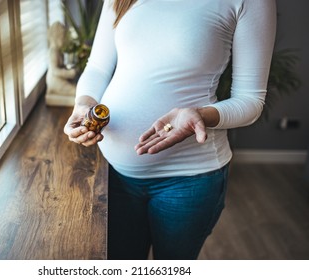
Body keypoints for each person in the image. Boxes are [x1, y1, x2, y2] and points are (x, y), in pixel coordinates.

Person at [63, 0, 276, 260]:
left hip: (188, 179)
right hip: (115, 175)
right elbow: (97, 68)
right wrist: (84, 104)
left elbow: (251, 100)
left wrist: (199, 115)